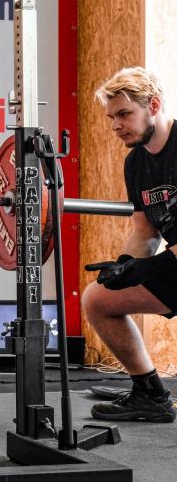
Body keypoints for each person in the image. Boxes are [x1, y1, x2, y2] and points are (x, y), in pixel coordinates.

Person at [83, 67, 177, 423]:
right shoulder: (136, 163)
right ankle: (150, 396)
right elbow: (145, 229)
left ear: (153, 105)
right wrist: (125, 264)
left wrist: (149, 267)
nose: (116, 125)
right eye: (111, 117)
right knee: (98, 298)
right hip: (173, 261)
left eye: (124, 114)